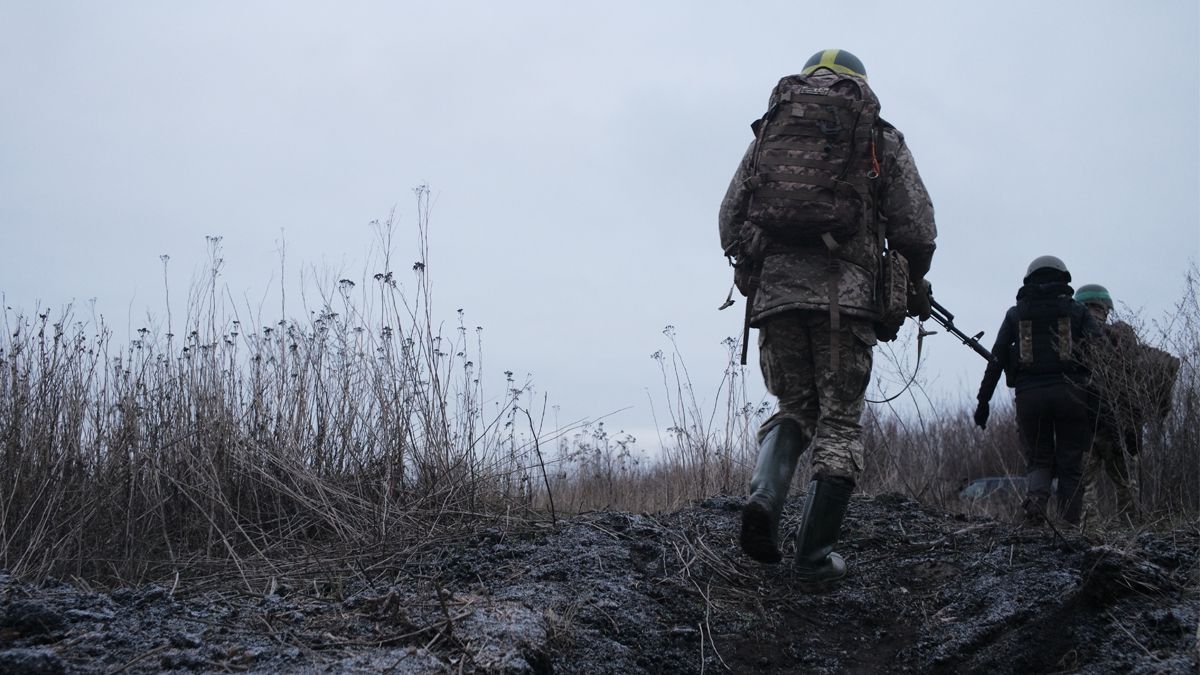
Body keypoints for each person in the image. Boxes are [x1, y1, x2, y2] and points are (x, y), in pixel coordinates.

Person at [719, 49, 937, 582]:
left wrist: (758, 269)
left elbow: (729, 220)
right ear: (858, 85)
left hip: (776, 297)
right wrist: (909, 280)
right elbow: (917, 229)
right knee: (839, 422)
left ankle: (765, 501)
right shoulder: (878, 137)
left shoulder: (768, 134)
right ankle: (813, 558)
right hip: (846, 298)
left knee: (794, 406)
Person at [973, 256, 1103, 527]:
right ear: (1062, 278)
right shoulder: (1078, 312)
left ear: (1030, 279)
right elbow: (1104, 357)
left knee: (1039, 460)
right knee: (1070, 465)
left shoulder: (1015, 314)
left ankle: (1034, 519)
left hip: (1030, 398)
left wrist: (983, 402)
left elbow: (996, 361)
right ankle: (1068, 527)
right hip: (1072, 396)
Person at [1075, 284, 1142, 528]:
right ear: (1106, 309)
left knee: (1085, 486)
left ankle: (1090, 535)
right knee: (1125, 484)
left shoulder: (1074, 337)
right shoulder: (1121, 338)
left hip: (1087, 422)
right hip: (1115, 423)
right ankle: (1132, 532)